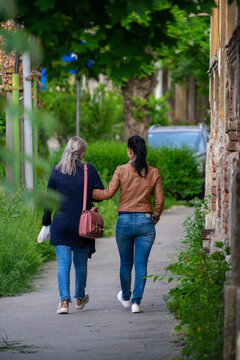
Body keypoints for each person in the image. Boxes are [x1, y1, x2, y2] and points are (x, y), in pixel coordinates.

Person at [92, 135, 164, 313]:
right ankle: (136, 302)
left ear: (130, 151)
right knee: (141, 264)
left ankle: (125, 296)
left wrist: (88, 192)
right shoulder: (153, 172)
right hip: (145, 220)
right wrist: (154, 218)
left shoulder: (121, 170)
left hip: (124, 221)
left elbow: (108, 193)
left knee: (125, 263)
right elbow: (160, 201)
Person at [42, 136, 104, 314]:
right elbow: (98, 193)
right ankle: (79, 297)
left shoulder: (56, 171)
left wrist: (46, 223)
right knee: (81, 264)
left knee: (63, 263)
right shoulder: (89, 170)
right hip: (82, 225)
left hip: (61, 224)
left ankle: (63, 302)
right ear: (82, 153)